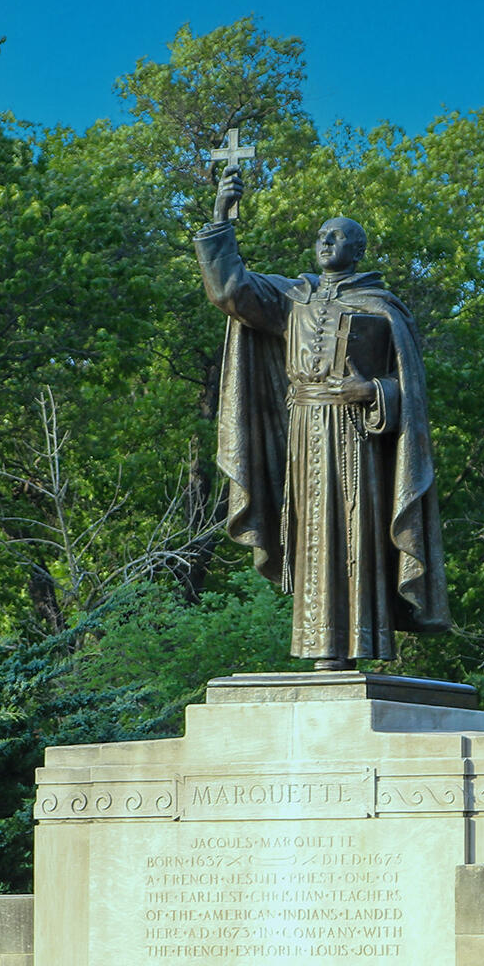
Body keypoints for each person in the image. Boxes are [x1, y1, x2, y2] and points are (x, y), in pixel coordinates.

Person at [195, 171, 450, 667]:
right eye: (320, 236)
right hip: (305, 435)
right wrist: (221, 219)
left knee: (357, 535)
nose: (324, 243)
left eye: (336, 237)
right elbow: (233, 291)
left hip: (360, 440)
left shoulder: (382, 307)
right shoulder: (295, 298)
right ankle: (318, 647)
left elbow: (413, 394)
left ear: (357, 250)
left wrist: (373, 390)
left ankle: (359, 643)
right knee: (313, 536)